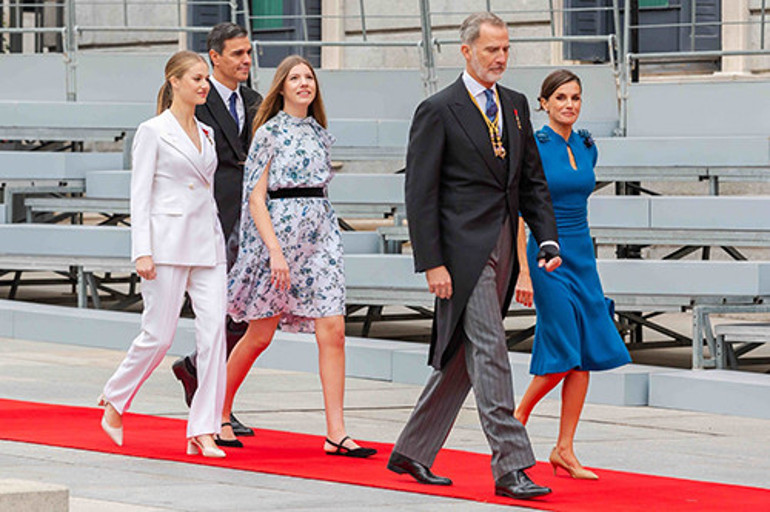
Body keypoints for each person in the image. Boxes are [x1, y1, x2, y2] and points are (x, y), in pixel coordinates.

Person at [387, 12, 561, 501]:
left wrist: (546, 240)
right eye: (491, 50)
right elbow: (420, 193)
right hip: (461, 253)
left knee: (465, 355)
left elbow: (532, 183)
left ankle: (412, 450)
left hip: (505, 243)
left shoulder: (518, 105)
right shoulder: (438, 110)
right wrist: (432, 262)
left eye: (505, 49)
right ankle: (512, 465)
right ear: (466, 51)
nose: (500, 58)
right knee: (491, 349)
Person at [221, 54, 376, 458]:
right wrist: (274, 251)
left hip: (321, 235)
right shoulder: (268, 132)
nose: (304, 83)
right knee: (260, 335)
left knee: (334, 330)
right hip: (280, 238)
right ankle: (216, 411)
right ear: (282, 87)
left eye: (309, 77)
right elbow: (255, 196)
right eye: (295, 78)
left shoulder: (320, 133)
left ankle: (336, 432)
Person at [99, 50, 227, 458]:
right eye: (196, 78)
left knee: (214, 336)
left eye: (206, 78)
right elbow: (140, 195)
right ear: (174, 81)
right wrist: (143, 252)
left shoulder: (206, 133)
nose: (204, 85)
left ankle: (203, 428)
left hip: (209, 243)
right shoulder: (153, 131)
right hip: (167, 244)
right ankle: (115, 399)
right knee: (159, 335)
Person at [513, 69, 631, 480]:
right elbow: (519, 214)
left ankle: (564, 448)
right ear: (543, 103)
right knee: (563, 351)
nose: (569, 105)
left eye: (576, 98)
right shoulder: (533, 145)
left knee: (582, 357)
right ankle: (516, 419)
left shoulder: (586, 145)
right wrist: (523, 272)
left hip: (582, 255)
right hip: (547, 256)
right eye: (560, 97)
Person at [171, 22, 263, 438]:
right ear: (215, 57)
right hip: (212, 218)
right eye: (238, 54)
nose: (246, 60)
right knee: (222, 313)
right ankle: (217, 408)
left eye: (248, 52)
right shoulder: (197, 101)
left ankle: (198, 373)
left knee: (244, 315)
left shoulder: (257, 101)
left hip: (253, 219)